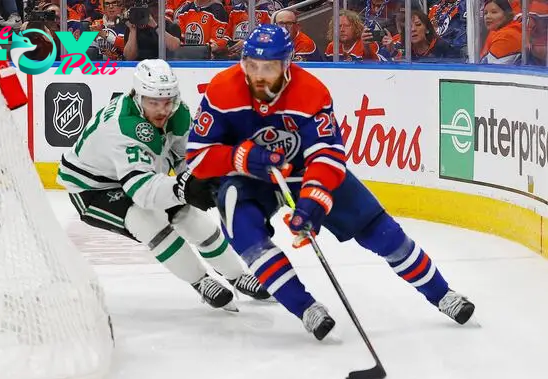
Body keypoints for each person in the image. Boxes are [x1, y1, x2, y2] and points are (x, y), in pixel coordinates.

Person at [185, 24, 476, 341]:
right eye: (251, 65)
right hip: (247, 177)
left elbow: (326, 155)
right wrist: (240, 158)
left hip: (303, 171)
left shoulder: (311, 92)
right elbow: (198, 156)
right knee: (244, 231)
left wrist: (312, 201)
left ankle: (442, 293)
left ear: (287, 64)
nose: (257, 75)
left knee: (381, 231)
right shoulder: (222, 89)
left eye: (267, 68)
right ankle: (305, 307)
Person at [57, 59, 270, 312]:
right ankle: (200, 281)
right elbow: (142, 191)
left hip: (136, 177)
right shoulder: (122, 127)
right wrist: (185, 189)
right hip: (93, 188)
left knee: (191, 217)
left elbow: (184, 157)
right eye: (153, 102)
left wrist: (204, 180)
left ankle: (236, 275)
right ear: (138, 96)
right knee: (147, 220)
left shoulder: (178, 112)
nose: (162, 110)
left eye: (167, 101)